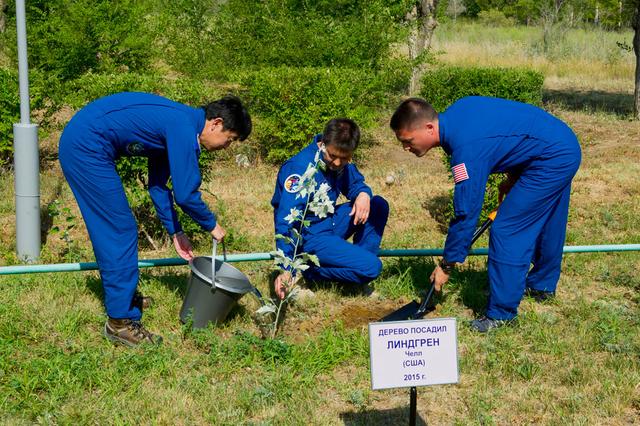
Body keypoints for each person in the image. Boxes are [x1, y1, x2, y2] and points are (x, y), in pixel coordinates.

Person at [59, 92, 252, 346]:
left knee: (121, 228)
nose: (226, 147)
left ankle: (125, 300)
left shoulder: (179, 125)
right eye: (230, 140)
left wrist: (176, 231)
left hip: (87, 140)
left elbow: (158, 186)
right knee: (119, 230)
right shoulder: (183, 128)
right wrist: (212, 224)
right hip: (86, 146)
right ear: (215, 123)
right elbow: (185, 194)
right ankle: (119, 322)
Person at [390, 96, 581, 332]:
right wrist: (513, 177)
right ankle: (542, 286)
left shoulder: (465, 149)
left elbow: (466, 212)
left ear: (429, 128)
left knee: (507, 229)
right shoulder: (457, 112)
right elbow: (509, 133)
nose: (405, 148)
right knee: (548, 220)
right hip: (559, 142)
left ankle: (501, 315)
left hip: (552, 158)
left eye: (408, 140)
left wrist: (447, 264)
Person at [271, 118, 389, 299]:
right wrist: (286, 268)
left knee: (377, 205)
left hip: (329, 222)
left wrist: (363, 194)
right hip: (309, 236)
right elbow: (286, 220)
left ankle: (357, 271)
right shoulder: (301, 169)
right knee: (373, 267)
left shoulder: (340, 161)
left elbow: (355, 183)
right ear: (323, 143)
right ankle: (309, 271)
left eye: (344, 158)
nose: (336, 163)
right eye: (333, 156)